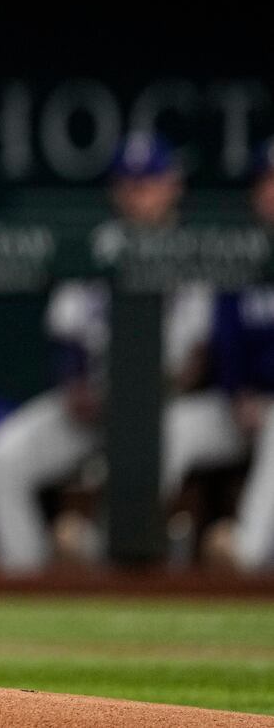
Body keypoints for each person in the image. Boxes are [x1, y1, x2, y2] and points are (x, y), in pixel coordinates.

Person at [0, 134, 213, 575]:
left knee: (166, 439)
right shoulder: (94, 250)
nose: (139, 195)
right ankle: (28, 581)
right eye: (130, 183)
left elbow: (199, 360)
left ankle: (107, 568)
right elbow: (66, 340)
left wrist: (144, 400)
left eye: (150, 182)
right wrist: (79, 390)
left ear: (173, 185)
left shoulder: (196, 255)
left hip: (164, 408)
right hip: (95, 409)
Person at [161, 138, 274, 571]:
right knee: (170, 426)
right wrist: (235, 393)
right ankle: (120, 544)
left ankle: (244, 552)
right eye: (266, 183)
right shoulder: (237, 255)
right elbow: (224, 341)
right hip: (239, 405)